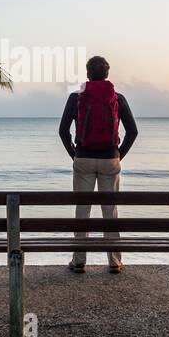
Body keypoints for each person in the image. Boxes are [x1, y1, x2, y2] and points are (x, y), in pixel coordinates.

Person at [58, 55, 138, 273]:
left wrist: (74, 155)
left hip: (83, 158)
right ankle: (114, 262)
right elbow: (133, 131)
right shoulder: (117, 98)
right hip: (110, 159)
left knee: (82, 210)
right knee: (110, 211)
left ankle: (79, 261)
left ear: (87, 74)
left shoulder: (76, 97)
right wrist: (118, 155)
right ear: (107, 74)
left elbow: (63, 130)